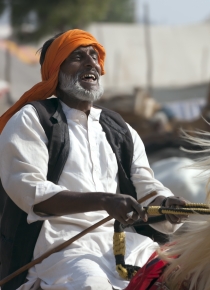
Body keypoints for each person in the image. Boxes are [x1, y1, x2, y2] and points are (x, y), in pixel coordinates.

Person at [0, 29, 187, 290]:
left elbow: (146, 186)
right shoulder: (32, 119)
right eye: (77, 57)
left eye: (94, 56)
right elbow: (31, 191)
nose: (91, 63)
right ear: (56, 71)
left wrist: (166, 204)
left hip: (126, 245)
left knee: (190, 273)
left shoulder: (120, 129)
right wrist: (103, 200)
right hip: (62, 249)